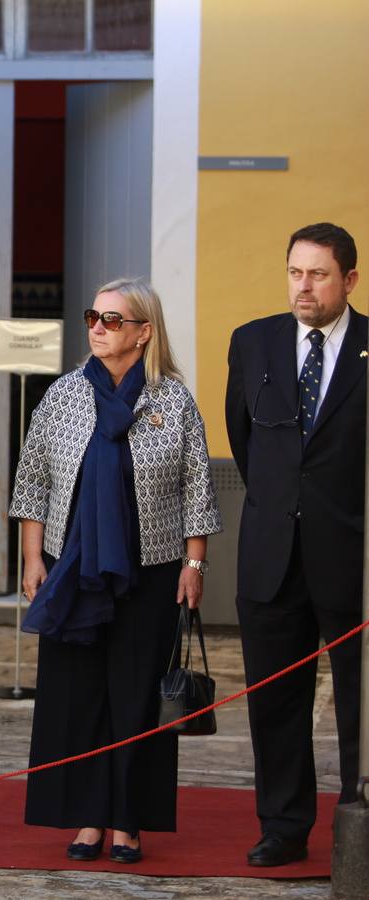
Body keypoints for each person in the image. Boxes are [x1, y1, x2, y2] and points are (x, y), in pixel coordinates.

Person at [10, 277, 222, 864]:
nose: (98, 328)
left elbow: (197, 488)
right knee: (78, 696)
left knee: (135, 698)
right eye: (93, 317)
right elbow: (33, 482)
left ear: (143, 332)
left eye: (112, 319)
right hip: (72, 568)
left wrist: (195, 562)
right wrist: (33, 560)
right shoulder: (64, 395)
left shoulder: (172, 400)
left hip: (150, 571)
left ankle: (129, 820)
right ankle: (87, 817)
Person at [225, 223, 364, 867]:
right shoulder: (252, 343)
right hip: (271, 554)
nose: (303, 287)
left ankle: (359, 818)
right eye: (294, 273)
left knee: (361, 704)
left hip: (354, 559)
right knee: (276, 702)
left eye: (318, 275)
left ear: (349, 281)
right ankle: (282, 827)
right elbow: (247, 441)